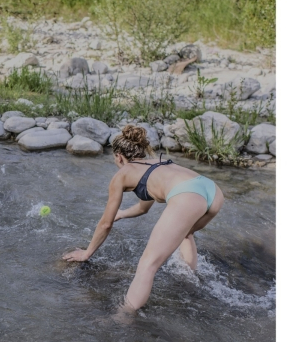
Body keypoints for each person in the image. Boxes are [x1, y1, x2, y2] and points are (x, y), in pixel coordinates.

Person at [62, 125, 224, 312]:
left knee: (147, 265)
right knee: (186, 233)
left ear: (118, 156)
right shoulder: (155, 165)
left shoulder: (121, 175)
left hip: (187, 196)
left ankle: (123, 316)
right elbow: (143, 208)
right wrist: (122, 214)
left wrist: (87, 253)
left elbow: (105, 224)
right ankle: (189, 283)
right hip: (212, 191)